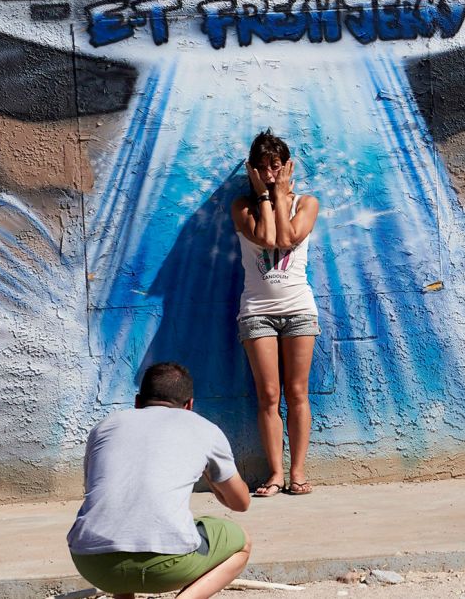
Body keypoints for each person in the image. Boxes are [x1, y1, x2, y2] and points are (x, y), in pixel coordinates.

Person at [67, 362, 252, 599]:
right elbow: (240, 503)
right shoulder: (205, 429)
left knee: (121, 523)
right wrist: (211, 476)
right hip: (168, 567)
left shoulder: (104, 426)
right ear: (189, 406)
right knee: (242, 543)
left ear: (137, 402)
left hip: (92, 563)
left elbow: (94, 491)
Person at [230, 129, 321, 497]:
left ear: (287, 166)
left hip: (298, 308)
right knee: (268, 395)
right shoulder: (242, 207)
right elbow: (268, 239)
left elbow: (289, 238)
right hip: (257, 312)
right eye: (263, 167)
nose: (270, 172)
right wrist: (268, 197)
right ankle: (275, 474)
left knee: (297, 392)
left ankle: (297, 472)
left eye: (277, 166)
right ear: (252, 169)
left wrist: (282, 197)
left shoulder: (307, 203)